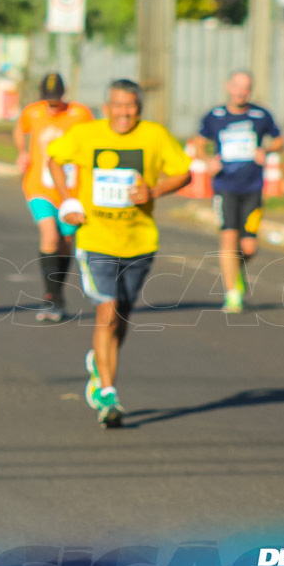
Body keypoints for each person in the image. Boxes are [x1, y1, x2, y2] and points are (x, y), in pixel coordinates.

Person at [47, 79, 191, 428]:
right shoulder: (86, 134)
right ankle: (107, 392)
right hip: (96, 240)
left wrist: (153, 189)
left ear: (138, 109)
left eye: (131, 106)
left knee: (121, 317)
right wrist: (68, 199)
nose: (124, 113)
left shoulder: (155, 135)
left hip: (140, 241)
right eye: (118, 105)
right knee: (106, 311)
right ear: (106, 107)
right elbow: (54, 159)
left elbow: (184, 172)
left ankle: (100, 362)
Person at [194, 70, 284, 313]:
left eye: (246, 88)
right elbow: (198, 143)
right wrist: (208, 160)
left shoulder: (260, 115)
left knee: (248, 248)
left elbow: (279, 140)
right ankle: (232, 293)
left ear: (250, 90)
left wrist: (266, 150)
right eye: (237, 86)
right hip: (224, 187)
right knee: (228, 239)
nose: (240, 92)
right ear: (228, 87)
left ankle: (237, 271)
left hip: (253, 187)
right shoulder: (215, 116)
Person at [13, 73, 94, 321]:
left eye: (55, 100)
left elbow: (93, 140)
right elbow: (20, 129)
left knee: (66, 242)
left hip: (71, 191)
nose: (52, 105)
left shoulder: (80, 114)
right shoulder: (33, 112)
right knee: (49, 234)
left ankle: (58, 295)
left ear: (64, 94)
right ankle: (51, 297)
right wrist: (21, 152)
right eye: (48, 100)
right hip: (39, 187)